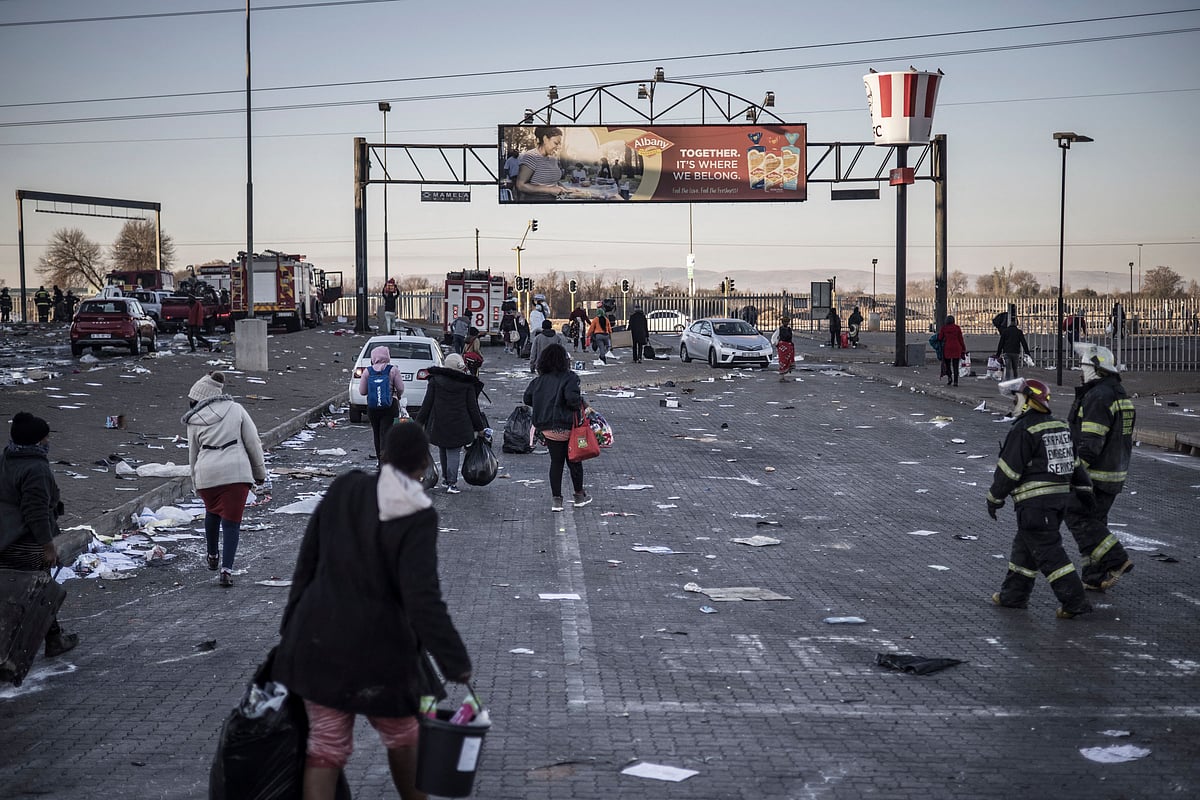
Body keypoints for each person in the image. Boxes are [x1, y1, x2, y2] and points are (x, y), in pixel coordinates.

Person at [273, 422, 472, 800]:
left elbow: (307, 562)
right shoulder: (417, 514)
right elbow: (422, 598)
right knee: (403, 735)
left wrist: (291, 628)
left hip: (318, 639)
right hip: (381, 654)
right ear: (423, 467)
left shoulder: (344, 488)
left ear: (383, 455)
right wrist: (454, 661)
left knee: (326, 747)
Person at [986, 377, 1094, 619]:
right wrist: (1085, 491)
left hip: (1035, 506)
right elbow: (1074, 464)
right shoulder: (1060, 426)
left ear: (1028, 401)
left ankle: (1075, 602)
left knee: (1049, 554)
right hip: (1057, 503)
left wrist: (994, 498)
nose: (1014, 401)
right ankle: (1013, 596)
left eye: (1018, 397)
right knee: (1024, 549)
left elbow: (1008, 471)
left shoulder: (1024, 429)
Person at [0, 412, 79, 658]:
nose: (48, 441)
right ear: (37, 441)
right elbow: (36, 513)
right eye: (45, 437)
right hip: (25, 542)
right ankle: (34, 644)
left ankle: (53, 638)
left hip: (4, 539)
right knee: (38, 593)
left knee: (15, 593)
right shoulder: (35, 469)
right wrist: (47, 546)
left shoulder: (6, 458)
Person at [182, 371, 268, 587]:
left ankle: (212, 554)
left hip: (207, 474)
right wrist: (259, 474)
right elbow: (253, 443)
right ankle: (226, 570)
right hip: (235, 474)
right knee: (231, 524)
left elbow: (192, 453)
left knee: (212, 512)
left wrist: (195, 483)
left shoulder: (193, 419)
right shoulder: (236, 409)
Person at [1065, 343, 1136, 591]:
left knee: (1076, 516)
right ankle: (1093, 576)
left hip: (1094, 475)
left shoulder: (1098, 396)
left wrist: (1074, 471)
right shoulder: (1118, 392)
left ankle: (1116, 559)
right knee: (1094, 524)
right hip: (1114, 473)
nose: (1081, 371)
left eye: (1084, 366)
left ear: (1095, 368)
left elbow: (1091, 443)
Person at [523, 343, 591, 512]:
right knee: (575, 460)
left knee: (556, 462)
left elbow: (527, 399)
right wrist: (579, 403)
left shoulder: (538, 381)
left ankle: (557, 501)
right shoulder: (570, 377)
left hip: (548, 429)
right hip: (569, 428)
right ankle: (579, 496)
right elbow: (572, 399)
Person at [415, 353, 486, 495]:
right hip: (460, 424)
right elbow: (473, 408)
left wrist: (418, 423)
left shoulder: (435, 381)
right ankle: (452, 483)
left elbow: (427, 404)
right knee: (453, 451)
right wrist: (480, 427)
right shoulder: (467, 384)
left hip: (439, 423)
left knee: (443, 448)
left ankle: (446, 479)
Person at [358, 345, 406, 462]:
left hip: (373, 407)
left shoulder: (367, 371)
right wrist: (397, 395)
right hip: (390, 406)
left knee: (377, 433)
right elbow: (400, 388)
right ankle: (387, 460)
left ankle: (380, 460)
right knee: (387, 433)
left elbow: (362, 391)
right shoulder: (392, 370)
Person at [514, 125, 570, 201]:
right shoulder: (531, 156)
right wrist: (549, 190)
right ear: (545, 139)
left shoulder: (553, 158)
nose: (559, 147)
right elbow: (520, 185)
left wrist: (568, 190)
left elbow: (553, 182)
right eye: (556, 143)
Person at [937, 314, 967, 387]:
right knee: (955, 365)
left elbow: (940, 338)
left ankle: (950, 378)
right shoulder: (957, 328)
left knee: (948, 365)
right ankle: (956, 381)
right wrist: (963, 349)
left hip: (947, 348)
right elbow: (961, 339)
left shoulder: (944, 328)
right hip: (956, 348)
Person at [772, 315, 795, 381]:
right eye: (785, 322)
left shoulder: (789, 329)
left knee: (788, 360)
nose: (786, 323)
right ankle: (782, 377)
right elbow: (774, 338)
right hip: (783, 348)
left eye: (787, 322)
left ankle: (784, 376)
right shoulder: (780, 329)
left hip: (789, 348)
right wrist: (777, 344)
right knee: (783, 361)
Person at [499, 289, 518, 354]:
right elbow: (515, 310)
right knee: (512, 335)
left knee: (506, 335)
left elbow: (502, 309)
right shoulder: (513, 303)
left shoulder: (504, 303)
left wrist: (500, 328)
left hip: (506, 319)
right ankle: (511, 348)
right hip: (512, 320)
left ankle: (507, 347)